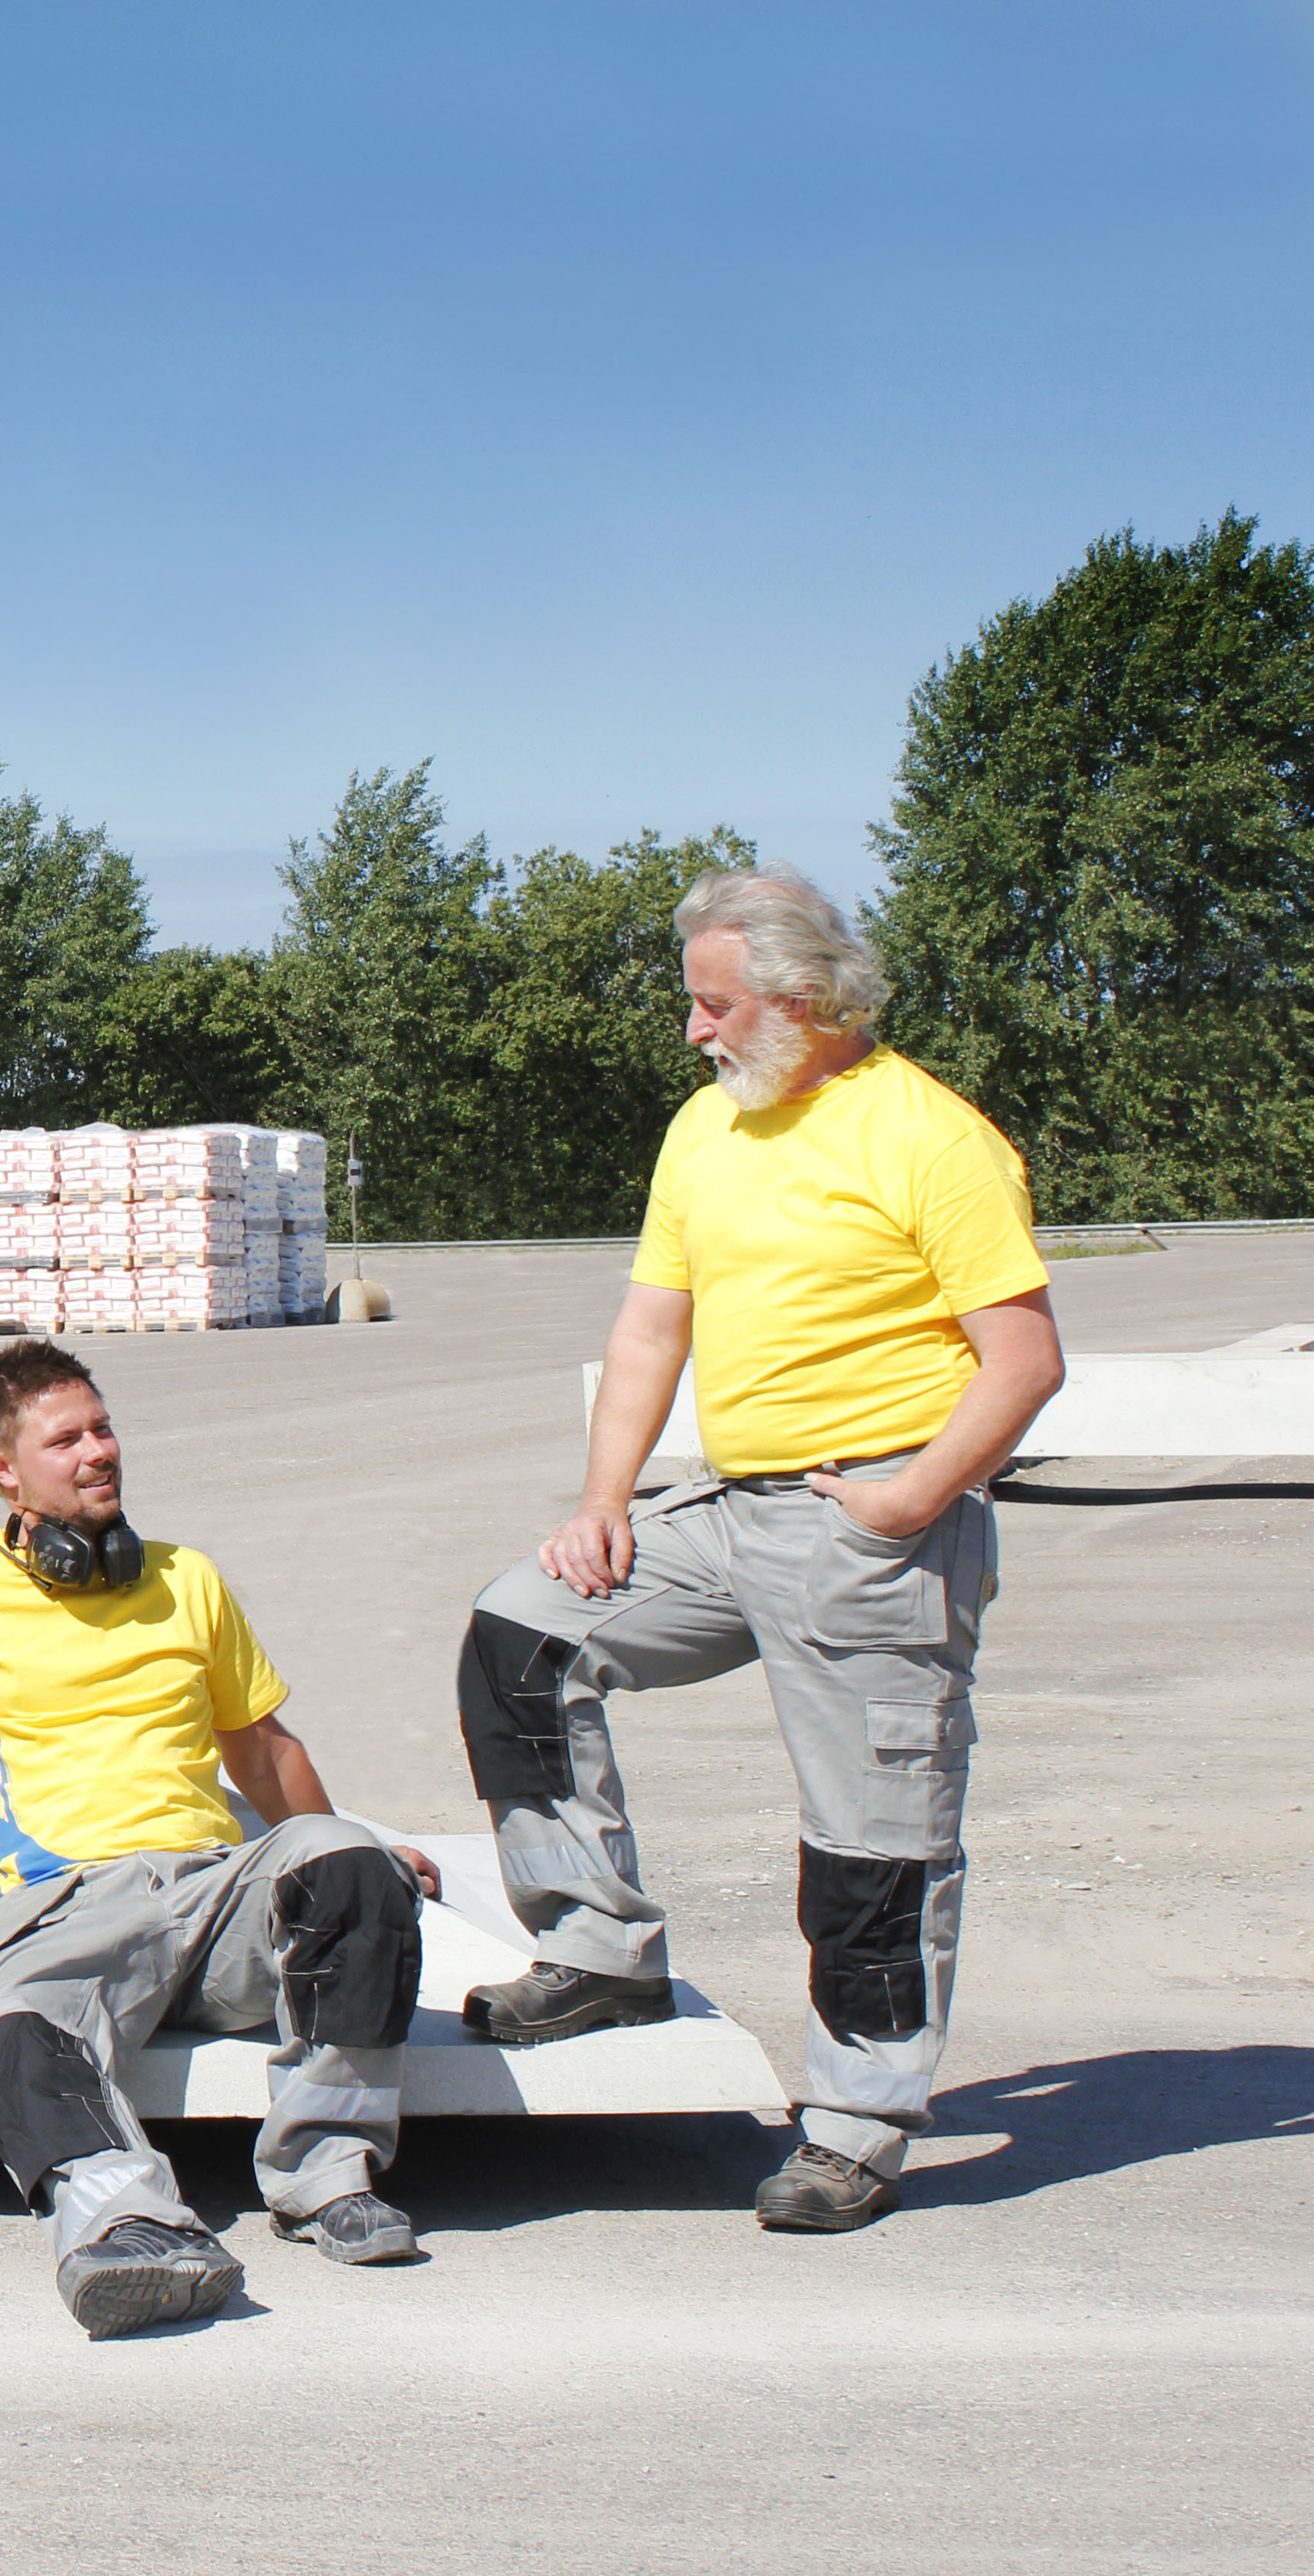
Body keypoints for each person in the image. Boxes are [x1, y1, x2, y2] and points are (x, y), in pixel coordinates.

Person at [453, 864, 1061, 2234]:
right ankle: (598, 1951)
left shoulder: (930, 1138)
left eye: (714, 1006)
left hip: (870, 1531)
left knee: (870, 1846)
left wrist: (911, 1499)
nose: (694, 1030)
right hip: (726, 1511)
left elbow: (1024, 1361)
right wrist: (602, 1499)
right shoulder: (705, 1129)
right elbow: (650, 1328)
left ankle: (855, 2126)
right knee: (522, 1634)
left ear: (803, 1000)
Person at [0, 1342, 439, 2340]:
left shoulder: (187, 1578)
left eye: (103, 1428)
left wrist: (353, 1851)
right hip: (61, 1905)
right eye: (66, 1439)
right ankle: (126, 2228)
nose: (99, 1452)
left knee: (351, 1865)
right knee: (19, 2035)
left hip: (212, 1892)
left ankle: (329, 2178)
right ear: (3, 1469)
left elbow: (262, 1748)